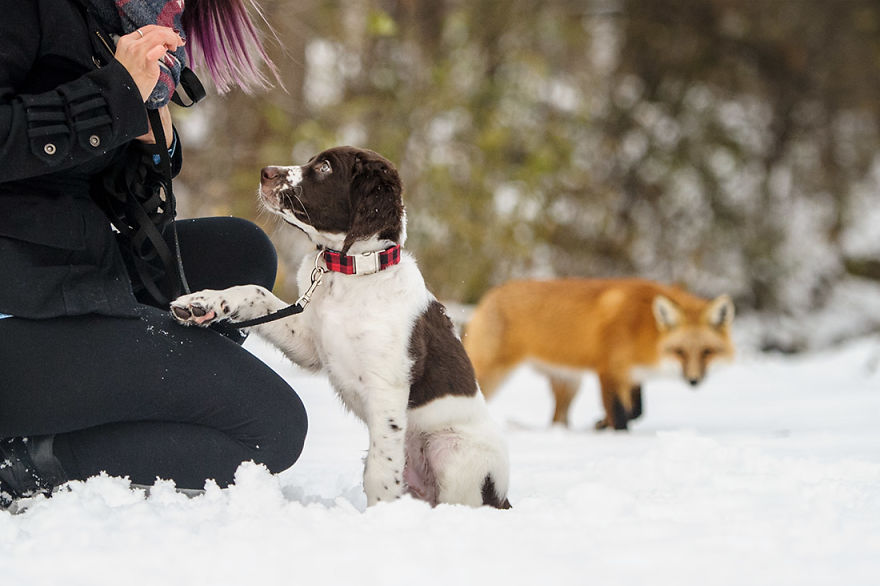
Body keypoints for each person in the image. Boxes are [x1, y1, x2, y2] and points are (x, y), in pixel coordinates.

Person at [0, 0, 307, 506]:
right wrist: (112, 98)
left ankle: (123, 415)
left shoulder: (121, 20)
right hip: (15, 298)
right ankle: (28, 459)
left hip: (59, 269)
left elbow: (81, 186)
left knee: (240, 253)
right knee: (269, 427)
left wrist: (149, 143)